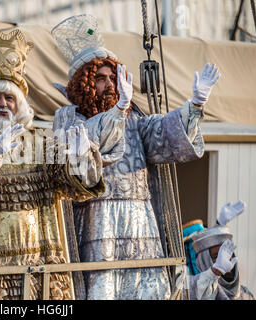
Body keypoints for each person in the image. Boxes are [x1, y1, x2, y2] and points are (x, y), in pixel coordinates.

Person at [0, 28, 125, 300]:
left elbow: (75, 187)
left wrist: (79, 158)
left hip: (41, 267)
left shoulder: (42, 141)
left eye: (9, 97)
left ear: (20, 105)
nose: (2, 104)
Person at [51, 14, 220, 300]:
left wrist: (195, 105)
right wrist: (118, 110)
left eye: (113, 77)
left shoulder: (134, 119)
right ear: (84, 85)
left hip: (140, 223)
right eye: (101, 79)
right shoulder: (69, 120)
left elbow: (163, 135)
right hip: (96, 223)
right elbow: (92, 140)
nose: (110, 84)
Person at [183, 201, 255, 300]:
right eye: (216, 256)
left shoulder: (247, 296)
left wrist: (219, 226)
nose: (225, 260)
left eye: (227, 253)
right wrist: (215, 272)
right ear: (204, 262)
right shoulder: (189, 292)